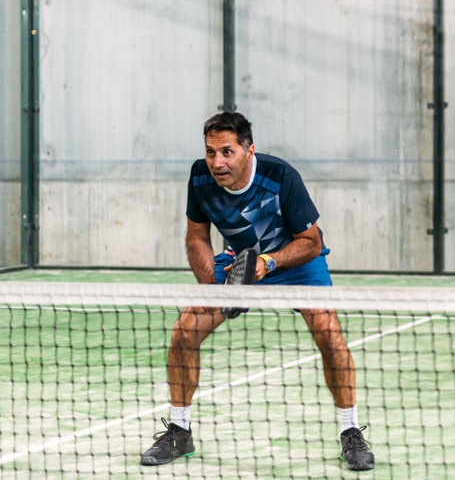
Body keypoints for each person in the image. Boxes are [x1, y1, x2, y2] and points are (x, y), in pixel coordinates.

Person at [140, 111, 375, 471]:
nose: (217, 162)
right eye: (210, 152)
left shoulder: (280, 177)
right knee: (185, 331)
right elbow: (197, 238)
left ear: (249, 151)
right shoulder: (200, 178)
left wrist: (269, 263)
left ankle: (351, 433)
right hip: (240, 264)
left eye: (227, 152)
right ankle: (179, 431)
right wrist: (214, 291)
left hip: (294, 262)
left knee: (329, 334)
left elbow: (311, 242)